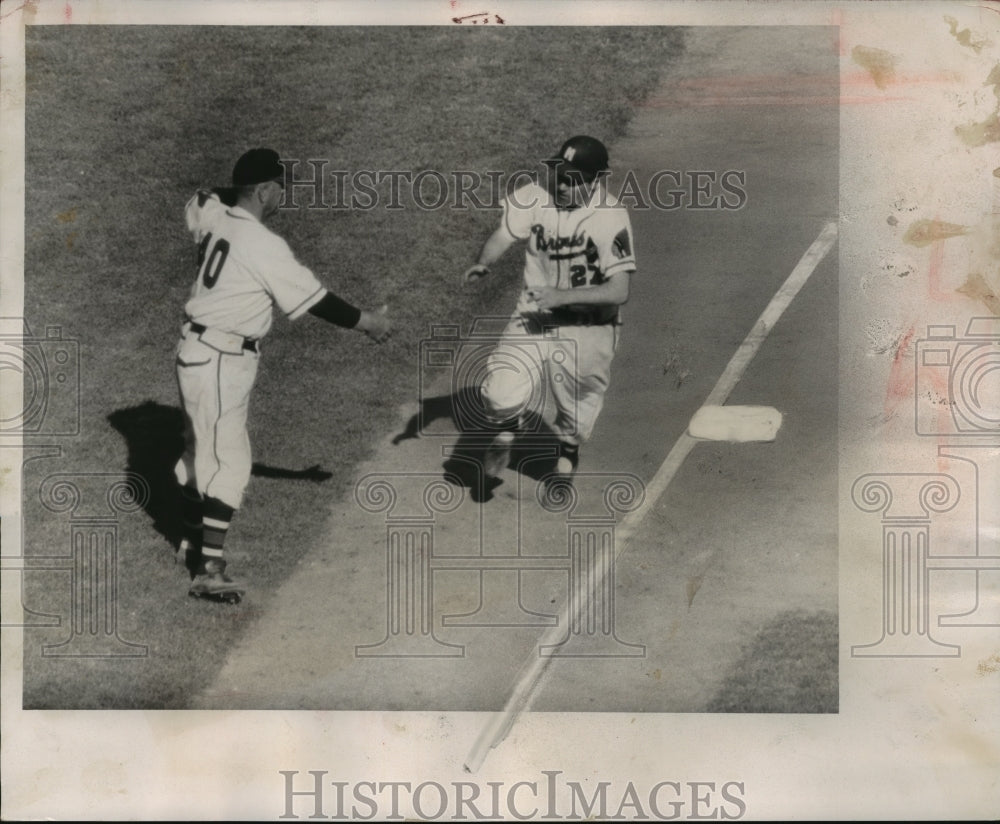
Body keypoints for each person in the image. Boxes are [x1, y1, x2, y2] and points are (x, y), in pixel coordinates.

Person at [174, 147, 392, 601]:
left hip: (197, 350)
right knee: (228, 462)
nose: (283, 193)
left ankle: (192, 541)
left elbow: (200, 198)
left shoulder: (212, 214)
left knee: (202, 451)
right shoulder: (262, 244)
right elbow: (316, 300)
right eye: (278, 185)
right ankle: (208, 568)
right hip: (219, 358)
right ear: (262, 190)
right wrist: (370, 322)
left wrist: (228, 189)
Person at [462, 135, 636, 492]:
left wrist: (562, 296)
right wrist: (483, 263)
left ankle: (568, 449)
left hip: (589, 325)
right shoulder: (535, 197)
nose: (561, 183)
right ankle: (508, 430)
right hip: (535, 315)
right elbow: (503, 235)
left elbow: (619, 291)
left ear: (595, 180)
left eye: (572, 179)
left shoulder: (610, 218)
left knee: (578, 403)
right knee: (500, 392)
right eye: (558, 173)